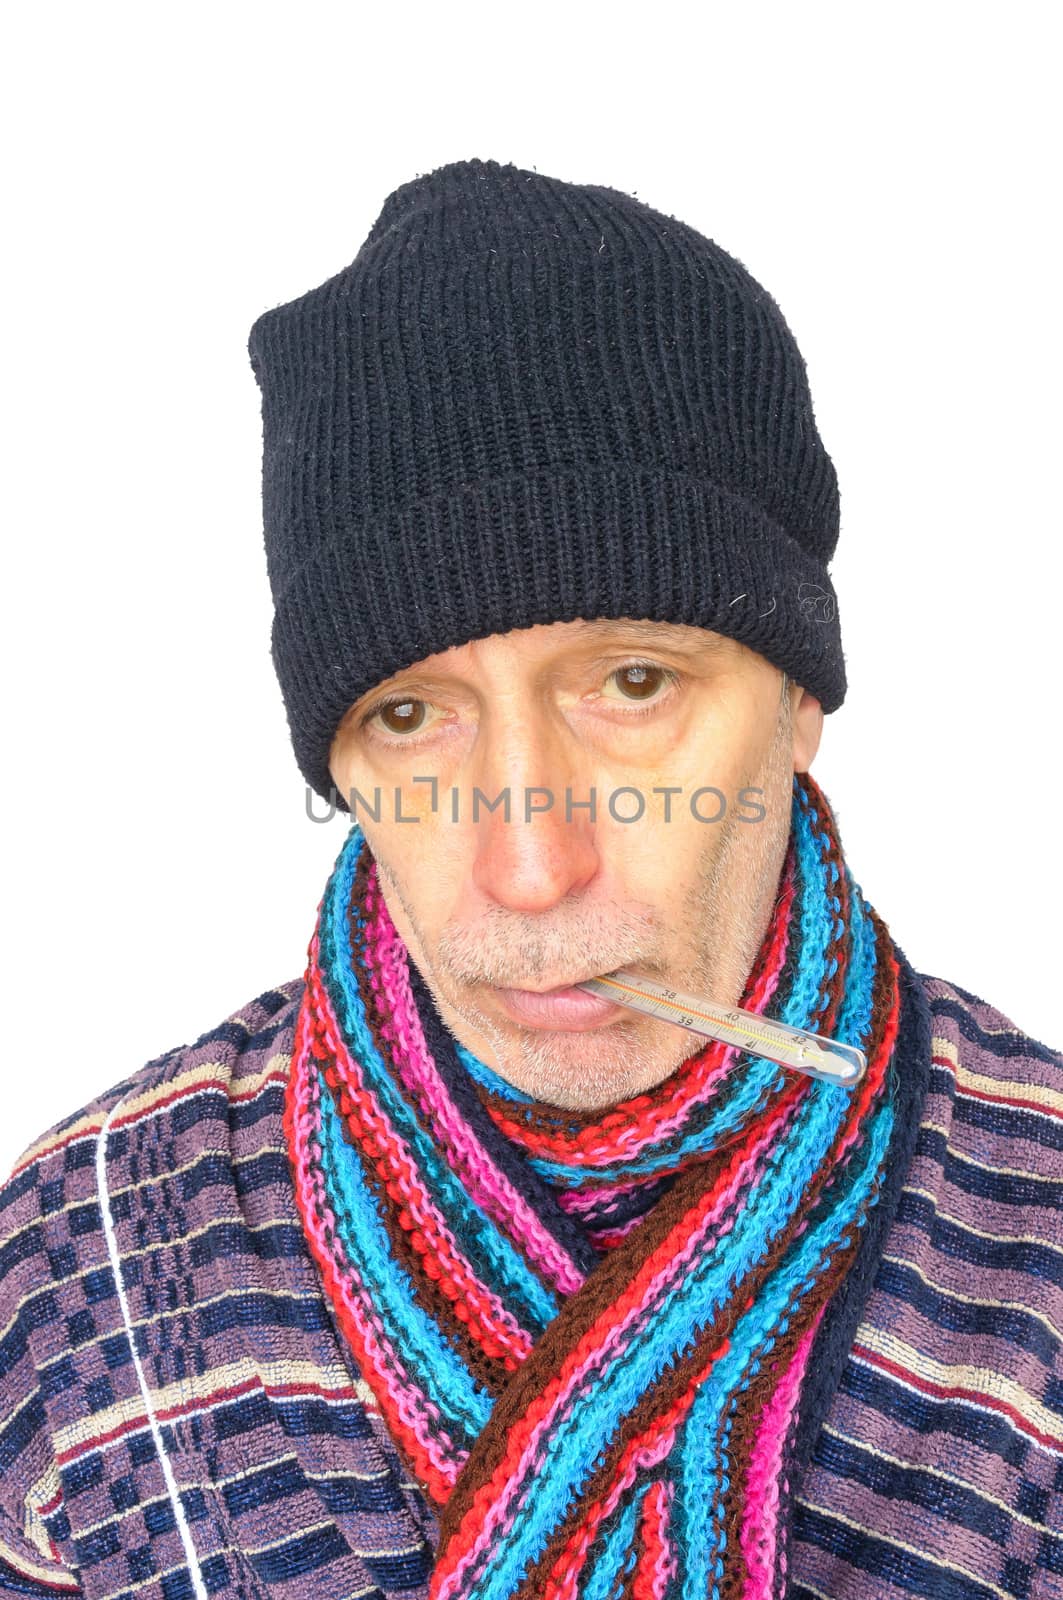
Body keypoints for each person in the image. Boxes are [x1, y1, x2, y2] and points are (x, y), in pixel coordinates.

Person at [1, 157, 1059, 1600]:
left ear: (802, 702)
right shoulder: (78, 1264)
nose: (529, 867)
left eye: (632, 683)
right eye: (409, 716)